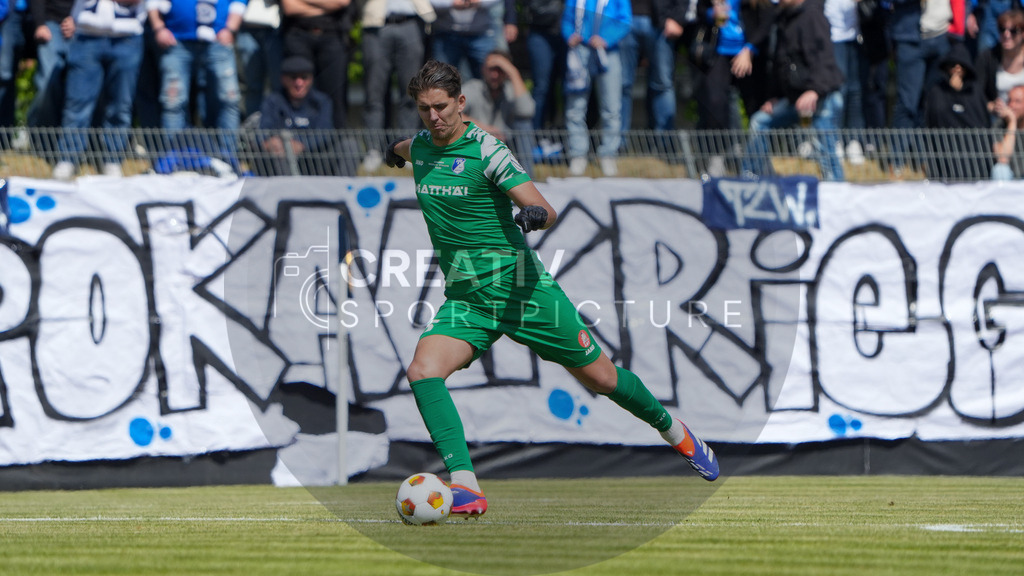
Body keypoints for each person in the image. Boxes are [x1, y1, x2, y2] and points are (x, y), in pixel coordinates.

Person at [383, 59, 719, 518]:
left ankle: (674, 431)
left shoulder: (488, 152)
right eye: (424, 109)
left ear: (461, 103)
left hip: (524, 292)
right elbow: (407, 148)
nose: (434, 117)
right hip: (469, 301)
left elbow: (544, 207)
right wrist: (392, 152)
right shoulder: (421, 145)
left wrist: (534, 216)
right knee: (423, 371)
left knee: (601, 379)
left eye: (441, 107)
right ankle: (466, 485)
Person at [740, 0, 845, 181]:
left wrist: (814, 91)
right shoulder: (783, 18)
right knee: (760, 122)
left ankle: (835, 189)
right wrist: (775, 96)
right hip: (795, 99)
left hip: (821, 96)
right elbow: (782, 64)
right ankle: (753, 179)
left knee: (823, 144)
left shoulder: (813, 16)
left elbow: (825, 60)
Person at [51, 0, 147, 180]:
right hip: (85, 36)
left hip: (127, 37)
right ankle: (68, 158)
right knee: (77, 104)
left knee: (120, 105)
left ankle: (112, 159)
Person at [147, 0, 244, 169]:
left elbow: (239, 2)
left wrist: (231, 28)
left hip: (219, 41)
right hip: (177, 41)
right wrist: (158, 27)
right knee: (173, 102)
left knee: (229, 100)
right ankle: (173, 161)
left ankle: (228, 161)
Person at [359, 0, 435, 173]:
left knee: (411, 94)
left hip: (412, 22)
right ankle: (373, 150)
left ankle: (407, 148)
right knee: (374, 94)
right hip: (376, 23)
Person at [561, 0, 632, 177]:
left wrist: (606, 38)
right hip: (579, 52)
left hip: (607, 52)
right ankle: (578, 154)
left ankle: (608, 154)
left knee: (611, 108)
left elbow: (625, 20)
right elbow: (567, 19)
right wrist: (570, 35)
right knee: (575, 108)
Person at [280, 0, 353, 129]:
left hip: (333, 35)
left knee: (335, 96)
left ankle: (336, 142)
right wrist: (327, 6)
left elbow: (342, 2)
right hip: (298, 35)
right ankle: (303, 142)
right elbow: (289, 6)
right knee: (299, 91)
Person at [461, 49, 535, 175]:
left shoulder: (512, 91)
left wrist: (513, 72)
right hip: (475, 146)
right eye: (491, 69)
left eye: (500, 70)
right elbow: (450, 113)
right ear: (483, 69)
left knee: (524, 124)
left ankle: (527, 179)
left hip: (505, 149)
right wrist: (483, 129)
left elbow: (527, 111)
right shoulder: (473, 87)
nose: (495, 75)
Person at [922, 41, 990, 180]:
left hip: (973, 158)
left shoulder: (975, 92)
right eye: (953, 65)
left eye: (961, 66)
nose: (957, 69)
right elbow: (935, 119)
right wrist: (953, 94)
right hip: (945, 156)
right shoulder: (937, 92)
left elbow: (980, 122)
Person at [256, 55, 334, 175]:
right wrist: (273, 142)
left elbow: (325, 133)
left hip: (314, 159)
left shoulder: (321, 102)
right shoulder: (273, 100)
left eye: (304, 77)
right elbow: (264, 130)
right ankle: (286, 192)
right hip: (282, 158)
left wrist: (302, 145)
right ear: (283, 79)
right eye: (293, 77)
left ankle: (340, 192)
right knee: (279, 152)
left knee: (349, 145)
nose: (299, 83)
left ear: (311, 79)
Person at [27, 0, 73, 128]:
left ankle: (70, 140)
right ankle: (43, 139)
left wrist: (77, 18)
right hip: (49, 23)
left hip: (81, 26)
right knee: (48, 82)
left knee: (77, 86)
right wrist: (40, 23)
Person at [236, 0, 283, 121]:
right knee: (252, 86)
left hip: (275, 27)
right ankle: (253, 130)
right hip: (246, 26)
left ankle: (278, 125)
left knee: (278, 85)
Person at [976, 9, 1024, 107]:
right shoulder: (987, 57)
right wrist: (991, 106)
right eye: (1002, 29)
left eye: (1013, 31)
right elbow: (977, 93)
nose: (1006, 35)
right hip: (997, 117)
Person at [991, 83, 1024, 179]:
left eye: (1017, 101)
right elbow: (1002, 158)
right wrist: (1012, 123)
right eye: (1009, 100)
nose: (1012, 105)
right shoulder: (1000, 125)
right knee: (1000, 170)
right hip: (1012, 177)